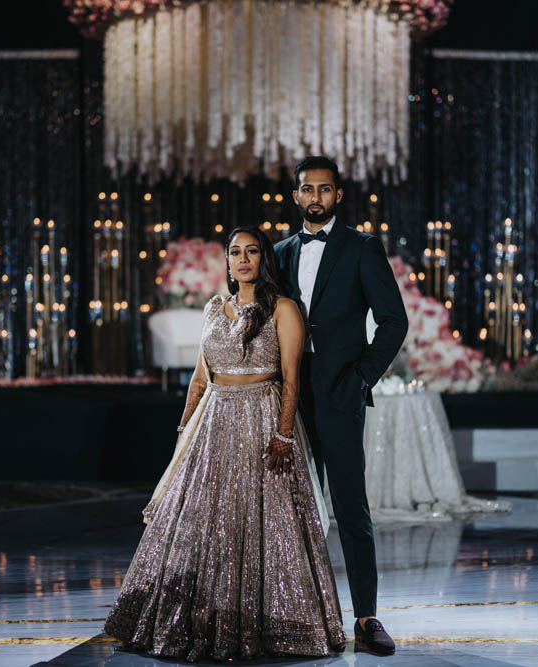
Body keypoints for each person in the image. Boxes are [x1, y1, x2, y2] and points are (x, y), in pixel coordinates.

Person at [103, 226, 346, 661]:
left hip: (262, 418)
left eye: (252, 252)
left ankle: (265, 623)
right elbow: (200, 378)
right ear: (228, 262)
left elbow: (291, 379)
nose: (244, 259)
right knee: (201, 525)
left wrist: (283, 434)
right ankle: (193, 621)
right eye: (236, 252)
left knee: (267, 526)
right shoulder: (215, 309)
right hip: (213, 422)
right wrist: (183, 435)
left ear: (263, 260)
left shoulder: (284, 309)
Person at [274, 156, 409, 655]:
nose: (315, 198)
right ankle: (293, 614)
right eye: (307, 189)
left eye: (324, 190)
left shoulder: (361, 248)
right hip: (286, 396)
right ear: (295, 196)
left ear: (338, 195)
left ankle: (367, 617)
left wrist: (361, 378)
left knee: (351, 507)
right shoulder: (282, 252)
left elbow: (394, 320)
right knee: (290, 510)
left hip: (339, 393)